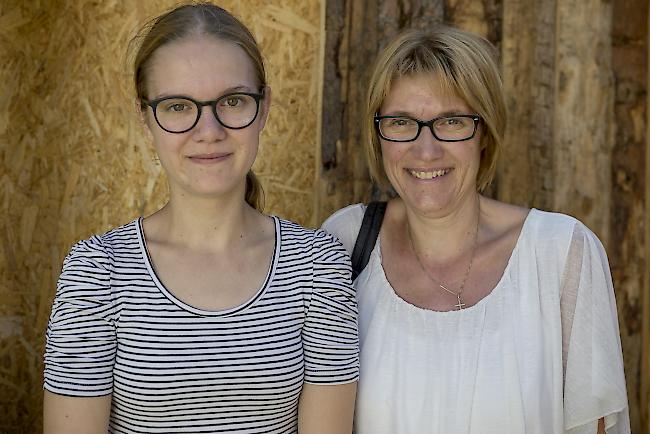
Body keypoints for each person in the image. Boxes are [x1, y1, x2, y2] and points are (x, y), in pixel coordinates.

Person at [43, 4, 358, 433]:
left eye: (232, 100)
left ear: (263, 108)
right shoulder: (98, 272)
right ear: (145, 117)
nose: (208, 129)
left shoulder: (317, 265)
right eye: (177, 106)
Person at [322, 26, 629, 434]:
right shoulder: (345, 241)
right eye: (401, 122)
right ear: (379, 134)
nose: (426, 150)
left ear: (485, 132)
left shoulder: (561, 253)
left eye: (450, 121)